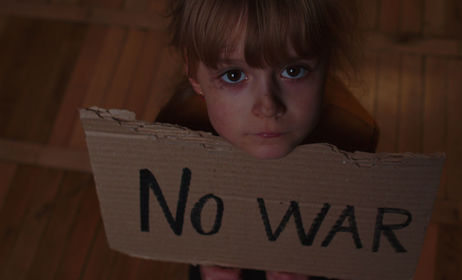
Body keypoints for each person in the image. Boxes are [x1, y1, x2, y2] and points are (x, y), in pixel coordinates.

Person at [156, 0, 379, 279]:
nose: (268, 107)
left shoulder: (353, 142)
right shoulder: (177, 135)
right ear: (194, 73)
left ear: (326, 64)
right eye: (234, 75)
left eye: (293, 70)